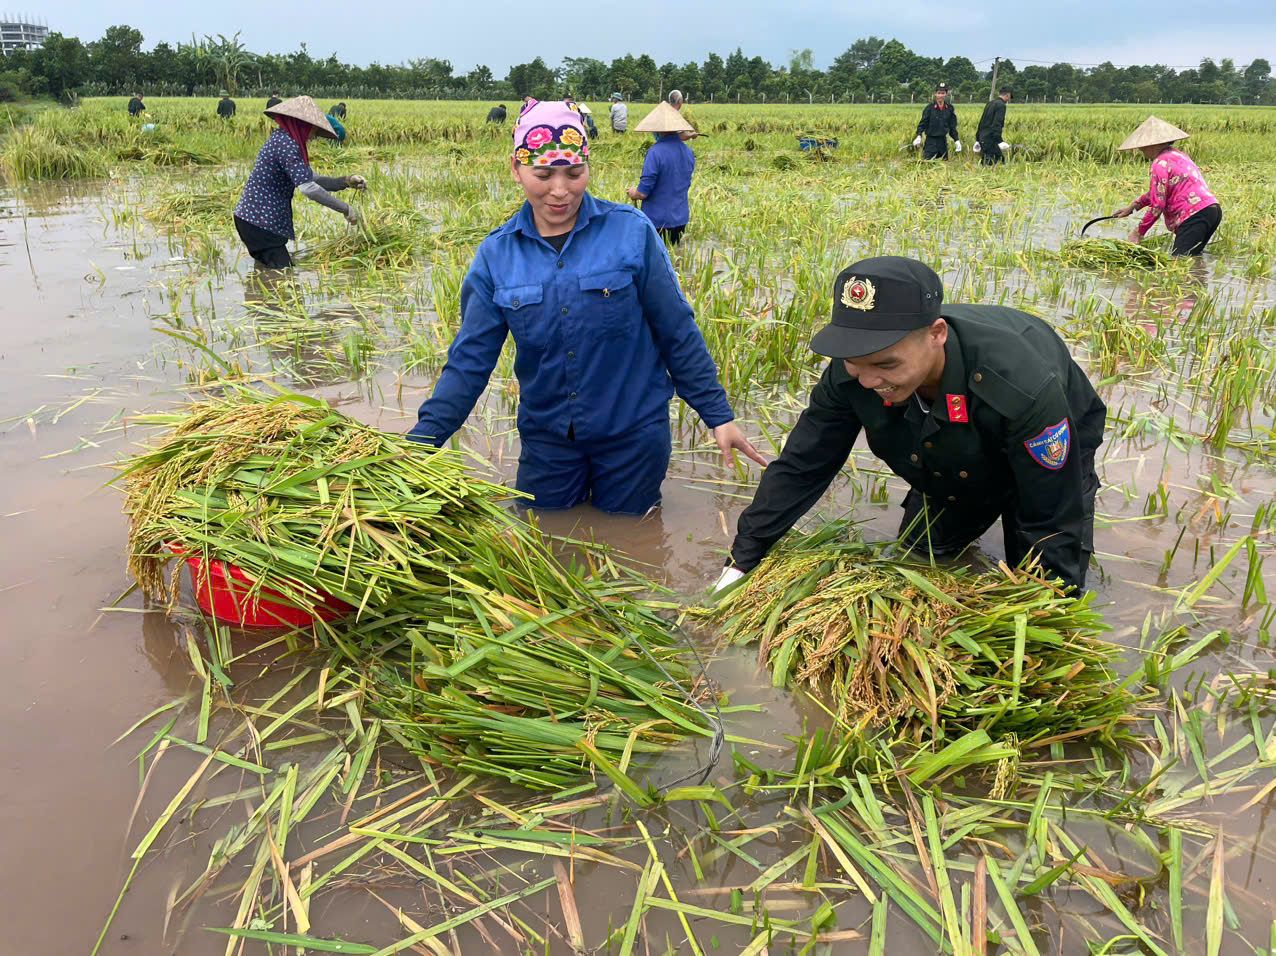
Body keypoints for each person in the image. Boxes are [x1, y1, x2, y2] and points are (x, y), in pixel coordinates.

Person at [408, 99, 764, 515]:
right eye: (543, 174)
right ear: (516, 169)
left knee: (634, 534)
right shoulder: (497, 256)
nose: (560, 190)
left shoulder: (631, 232)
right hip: (548, 440)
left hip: (633, 435)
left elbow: (676, 329)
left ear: (588, 167)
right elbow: (469, 361)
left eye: (574, 173)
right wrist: (418, 446)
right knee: (540, 531)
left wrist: (718, 415)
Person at [713, 256, 1106, 595]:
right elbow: (803, 466)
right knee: (920, 559)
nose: (868, 380)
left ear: (936, 334)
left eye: (886, 364)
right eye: (855, 362)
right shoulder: (852, 372)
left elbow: (1052, 516)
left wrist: (1047, 614)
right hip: (951, 453)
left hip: (1044, 440)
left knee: (1038, 579)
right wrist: (743, 560)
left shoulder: (1018, 385)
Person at [233, 95, 367, 269]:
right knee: (284, 277)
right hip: (260, 223)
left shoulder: (283, 139)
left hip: (255, 221)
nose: (313, 137)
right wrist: (345, 209)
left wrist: (346, 181)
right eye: (313, 131)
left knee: (267, 274)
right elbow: (308, 188)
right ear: (302, 125)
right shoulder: (286, 144)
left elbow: (312, 178)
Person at [1111, 116, 1221, 257]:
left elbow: (1157, 205)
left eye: (1142, 145)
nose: (1140, 149)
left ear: (1152, 144)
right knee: (1192, 259)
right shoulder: (1179, 156)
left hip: (1193, 215)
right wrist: (1133, 206)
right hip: (1212, 210)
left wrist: (1138, 232)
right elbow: (1158, 192)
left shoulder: (1159, 163)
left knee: (1179, 262)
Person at [627, 102, 696, 245]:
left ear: (658, 130)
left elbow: (643, 192)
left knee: (656, 256)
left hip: (657, 220)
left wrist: (634, 193)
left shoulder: (655, 152)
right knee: (673, 255)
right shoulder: (688, 152)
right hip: (681, 219)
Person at [912, 83, 960, 160]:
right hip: (931, 142)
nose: (940, 95)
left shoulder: (949, 108)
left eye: (943, 93)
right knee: (928, 163)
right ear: (935, 94)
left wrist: (956, 140)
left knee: (943, 164)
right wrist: (919, 135)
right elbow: (922, 123)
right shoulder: (929, 108)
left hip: (943, 142)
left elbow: (952, 126)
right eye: (939, 93)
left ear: (946, 94)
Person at [975, 87, 1011, 165]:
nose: (1009, 99)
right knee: (992, 162)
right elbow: (997, 123)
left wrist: (977, 138)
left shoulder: (990, 103)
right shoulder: (1001, 105)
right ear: (1007, 95)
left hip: (983, 137)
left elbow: (982, 121)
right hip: (991, 138)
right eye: (1009, 97)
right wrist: (1000, 141)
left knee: (998, 159)